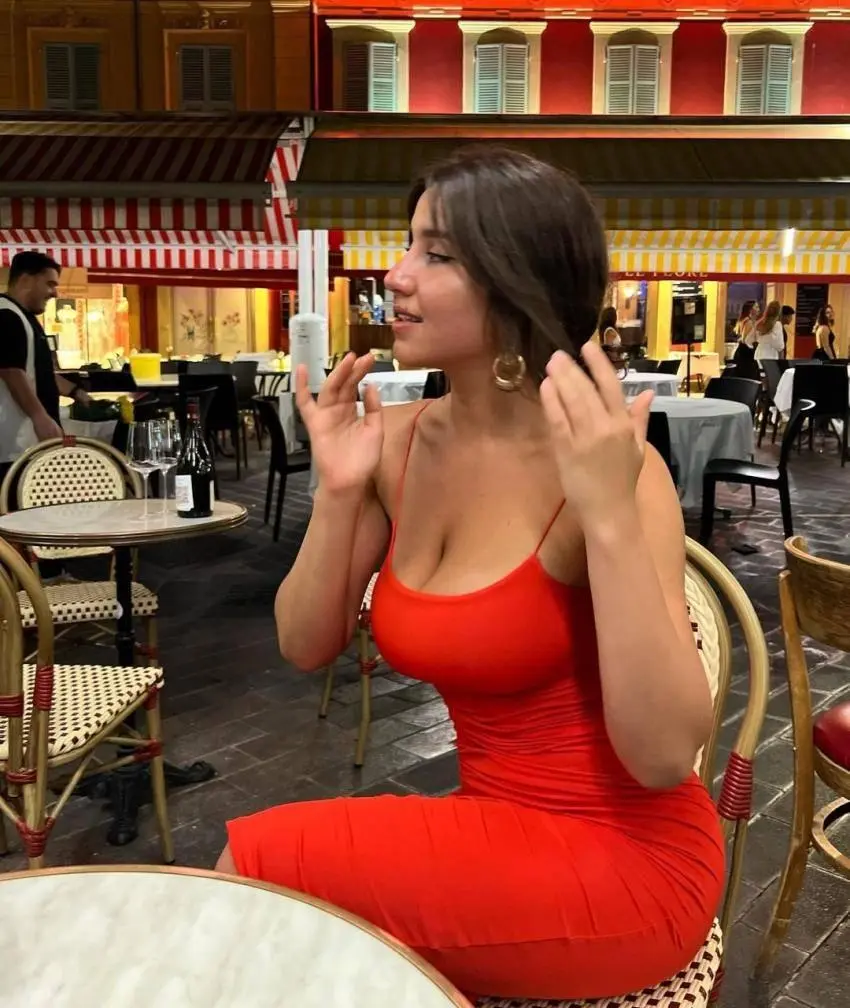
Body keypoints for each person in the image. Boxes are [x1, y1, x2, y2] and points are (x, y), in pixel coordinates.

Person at [218, 147, 723, 1001]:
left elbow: (666, 756)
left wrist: (607, 512)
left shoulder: (606, 464)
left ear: (520, 282)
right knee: (279, 922)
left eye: (438, 254)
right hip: (492, 827)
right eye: (407, 244)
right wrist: (337, 493)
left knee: (252, 871)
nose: (395, 274)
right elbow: (304, 644)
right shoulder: (396, 441)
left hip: (628, 862)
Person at [0, 251, 89, 487]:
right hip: (11, 442)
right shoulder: (7, 315)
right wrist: (39, 416)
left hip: (24, 441)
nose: (54, 293)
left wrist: (75, 391)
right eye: (49, 284)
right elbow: (11, 372)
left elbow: (36, 372)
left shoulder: (24, 317)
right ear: (26, 279)